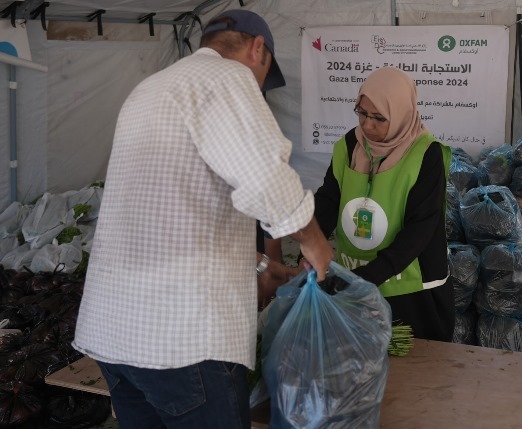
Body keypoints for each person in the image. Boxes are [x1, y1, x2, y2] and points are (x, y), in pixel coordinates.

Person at [72, 9, 333, 428]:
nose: (260, 88)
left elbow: (176, 213)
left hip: (114, 334)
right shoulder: (228, 79)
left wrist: (266, 266)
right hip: (181, 341)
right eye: (264, 77)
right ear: (257, 48)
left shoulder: (151, 88)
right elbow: (268, 180)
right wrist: (316, 244)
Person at [312, 67, 454, 341]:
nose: (367, 125)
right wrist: (310, 242)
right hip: (355, 281)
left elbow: (421, 229)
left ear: (401, 114)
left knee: (417, 373)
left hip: (411, 291)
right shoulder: (350, 144)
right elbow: (329, 199)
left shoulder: (426, 153)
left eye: (379, 118)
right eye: (362, 112)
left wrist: (366, 277)